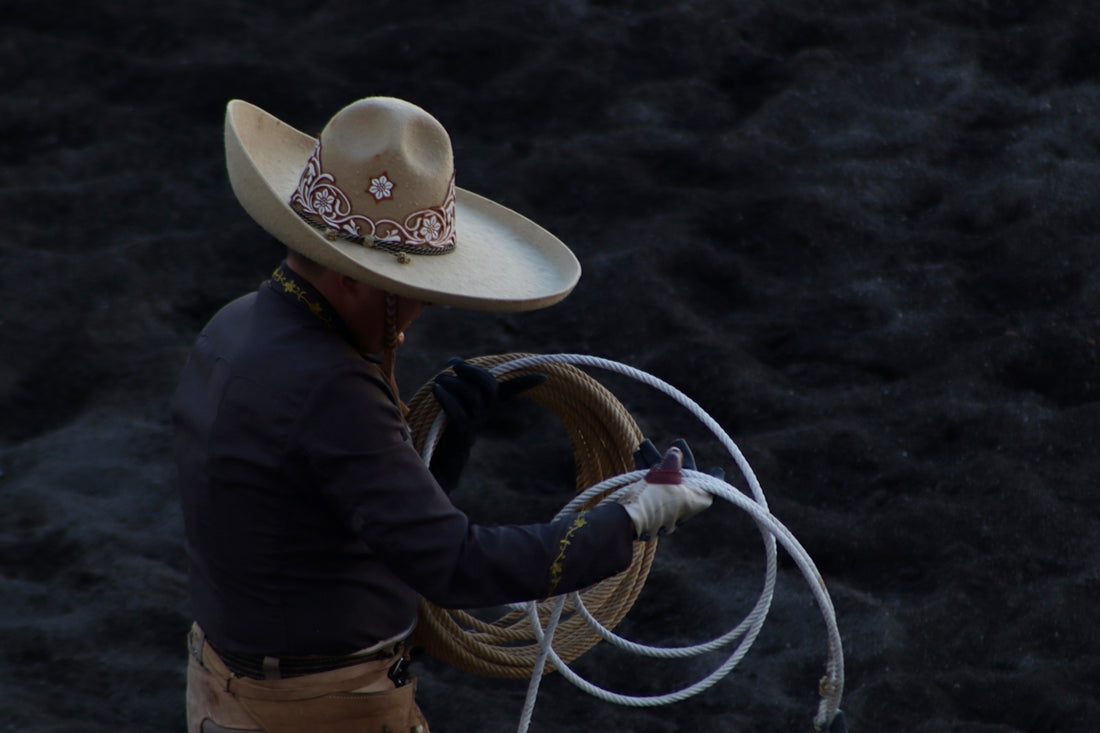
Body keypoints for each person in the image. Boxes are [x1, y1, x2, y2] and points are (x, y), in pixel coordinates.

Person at [173, 96, 713, 733]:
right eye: (413, 293)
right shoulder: (334, 387)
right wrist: (631, 519)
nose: (422, 313)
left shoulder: (234, 326)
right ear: (353, 278)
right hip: (319, 709)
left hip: (229, 684)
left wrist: (439, 449)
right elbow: (455, 566)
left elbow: (320, 511)